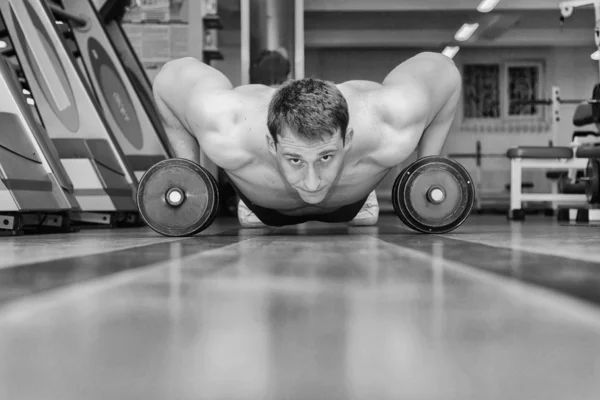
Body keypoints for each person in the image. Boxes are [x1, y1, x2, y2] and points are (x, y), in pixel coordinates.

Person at [152, 52, 462, 228]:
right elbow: (169, 77)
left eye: (326, 157)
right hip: (262, 207)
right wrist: (187, 171)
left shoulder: (390, 120)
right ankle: (249, 199)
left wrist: (427, 166)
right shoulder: (227, 125)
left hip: (351, 200)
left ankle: (363, 196)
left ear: (348, 140)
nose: (312, 183)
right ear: (272, 145)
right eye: (295, 159)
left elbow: (445, 71)